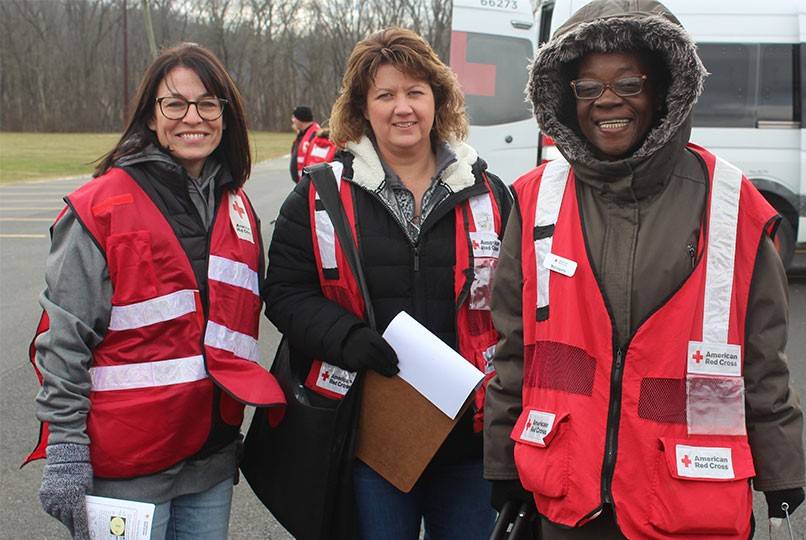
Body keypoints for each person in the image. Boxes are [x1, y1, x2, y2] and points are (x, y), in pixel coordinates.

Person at [482, 1, 806, 538]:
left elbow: (763, 360)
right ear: (566, 96)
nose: (608, 100)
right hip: (567, 497)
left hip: (688, 502)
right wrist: (501, 460)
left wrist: (781, 475)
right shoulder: (535, 199)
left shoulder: (731, 203)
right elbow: (515, 350)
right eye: (588, 87)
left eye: (628, 83)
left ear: (663, 91)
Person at [26, 42, 285, 539]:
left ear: (226, 116)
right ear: (150, 115)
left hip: (209, 463)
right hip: (125, 467)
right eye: (175, 104)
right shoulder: (99, 207)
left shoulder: (238, 208)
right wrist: (65, 448)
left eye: (208, 104)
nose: (194, 117)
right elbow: (63, 341)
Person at [264, 27, 512, 540]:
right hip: (370, 438)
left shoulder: (491, 194)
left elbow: (521, 307)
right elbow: (285, 293)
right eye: (386, 94)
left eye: (416, 92)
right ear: (362, 107)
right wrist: (345, 338)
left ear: (438, 101)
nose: (403, 108)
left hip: (470, 440)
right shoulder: (318, 196)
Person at [290, 105, 336, 183]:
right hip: (302, 181)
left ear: (301, 119)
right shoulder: (301, 134)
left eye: (294, 117)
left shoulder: (316, 135)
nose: (292, 120)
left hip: (309, 182)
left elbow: (317, 162)